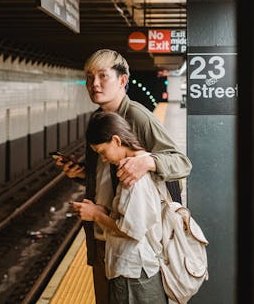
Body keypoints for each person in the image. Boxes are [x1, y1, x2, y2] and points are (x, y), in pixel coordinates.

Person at [56, 48, 191, 304]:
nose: (94, 84)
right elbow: (110, 172)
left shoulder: (137, 116)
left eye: (103, 76)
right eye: (89, 77)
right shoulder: (99, 119)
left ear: (122, 80)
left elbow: (181, 162)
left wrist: (148, 162)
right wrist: (83, 174)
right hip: (103, 236)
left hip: (129, 238)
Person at [72, 111, 168, 304]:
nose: (104, 159)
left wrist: (96, 216)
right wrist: (102, 211)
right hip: (137, 270)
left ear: (116, 140)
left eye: (102, 152)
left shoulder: (133, 176)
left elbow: (133, 230)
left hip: (133, 274)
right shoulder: (139, 164)